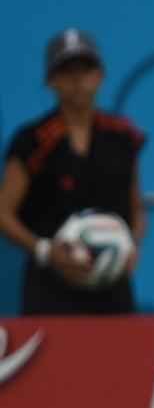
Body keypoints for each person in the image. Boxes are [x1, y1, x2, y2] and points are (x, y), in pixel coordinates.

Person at [0, 28, 146, 315]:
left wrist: (130, 246)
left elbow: (137, 208)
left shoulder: (123, 137)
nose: (77, 81)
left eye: (85, 70)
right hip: (51, 290)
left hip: (111, 286)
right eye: (67, 71)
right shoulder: (33, 141)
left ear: (100, 76)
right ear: (51, 81)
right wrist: (44, 251)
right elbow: (3, 213)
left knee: (119, 359)